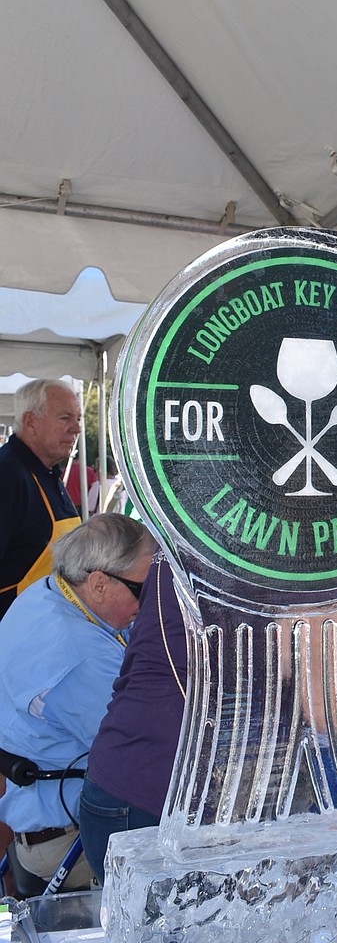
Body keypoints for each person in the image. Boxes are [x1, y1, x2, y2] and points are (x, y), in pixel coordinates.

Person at [0, 514, 157, 890]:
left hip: (36, 809)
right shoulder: (78, 658)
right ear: (99, 583)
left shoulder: (46, 592)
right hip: (68, 838)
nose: (151, 600)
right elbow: (140, 750)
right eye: (144, 590)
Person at [79, 556, 188, 882]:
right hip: (146, 795)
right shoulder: (85, 652)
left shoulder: (174, 550)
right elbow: (326, 718)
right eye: (136, 590)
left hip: (119, 787)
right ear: (98, 584)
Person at [0, 379, 82, 621]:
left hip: (46, 625)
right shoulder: (7, 475)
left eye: (78, 419)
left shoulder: (48, 472)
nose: (76, 429)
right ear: (30, 422)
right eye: (65, 418)